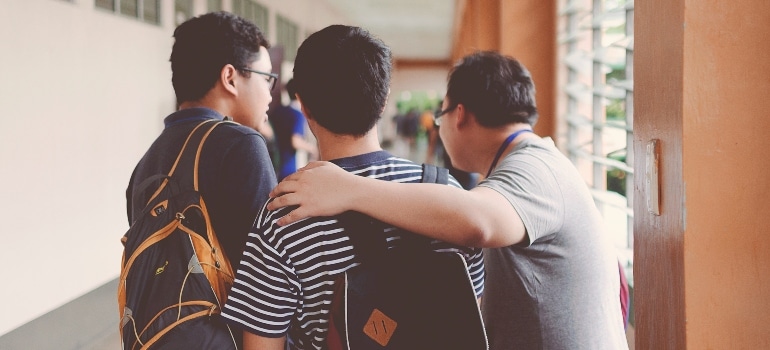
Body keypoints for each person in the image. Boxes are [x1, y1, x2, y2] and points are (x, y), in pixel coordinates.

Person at [268, 51, 629, 350]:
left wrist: (349, 189)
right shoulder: (536, 161)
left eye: (440, 114)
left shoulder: (535, 168)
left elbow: (477, 223)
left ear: (459, 115)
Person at [220, 25, 484, 350]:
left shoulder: (284, 215)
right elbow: (473, 316)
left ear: (304, 106)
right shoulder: (449, 198)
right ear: (384, 101)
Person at [125, 9, 278, 332]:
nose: (270, 93)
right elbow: (267, 281)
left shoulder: (147, 162)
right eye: (267, 78)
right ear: (231, 78)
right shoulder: (242, 144)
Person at [270, 78, 317, 180]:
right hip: (288, 167)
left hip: (272, 163)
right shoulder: (298, 115)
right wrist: (312, 149)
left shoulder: (278, 110)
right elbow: (295, 141)